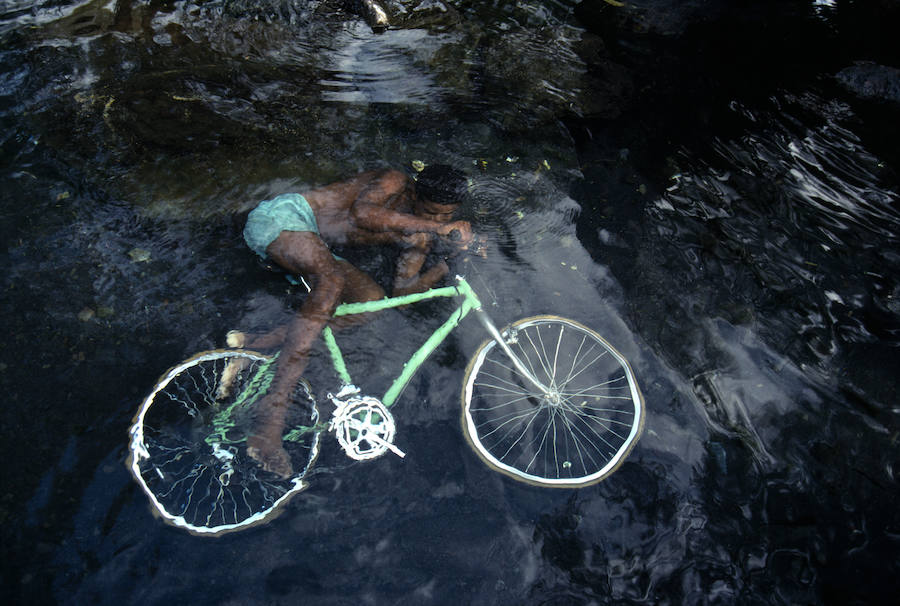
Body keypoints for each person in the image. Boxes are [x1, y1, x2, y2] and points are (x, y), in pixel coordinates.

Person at [232, 165, 474, 477]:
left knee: (371, 302)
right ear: (414, 192)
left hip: (314, 248)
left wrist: (447, 262)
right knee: (330, 283)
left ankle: (251, 345)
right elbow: (362, 213)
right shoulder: (395, 181)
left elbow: (404, 290)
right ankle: (271, 418)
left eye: (446, 215)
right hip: (284, 220)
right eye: (431, 212)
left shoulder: (422, 232)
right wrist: (431, 226)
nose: (439, 221)